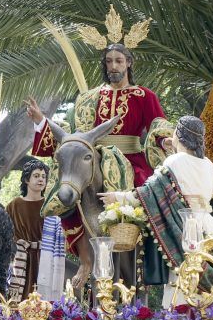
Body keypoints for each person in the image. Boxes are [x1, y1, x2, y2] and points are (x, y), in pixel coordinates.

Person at [25, 42, 172, 288]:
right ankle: (86, 260)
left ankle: (142, 266)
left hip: (131, 161)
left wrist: (165, 139)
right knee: (65, 196)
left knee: (149, 198)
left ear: (128, 63)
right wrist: (42, 121)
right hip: (93, 160)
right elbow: (72, 136)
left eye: (119, 60)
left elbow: (158, 124)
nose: (113, 66)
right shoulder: (89, 98)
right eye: (109, 61)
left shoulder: (145, 96)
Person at [99, 116, 213, 306]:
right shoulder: (209, 165)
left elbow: (150, 191)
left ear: (178, 136)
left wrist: (119, 197)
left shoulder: (175, 160)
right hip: (208, 226)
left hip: (185, 225)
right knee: (200, 276)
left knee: (181, 278)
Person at [6, 160, 64, 303]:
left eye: (44, 176)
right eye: (36, 176)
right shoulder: (13, 206)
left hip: (45, 257)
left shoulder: (51, 206)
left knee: (45, 301)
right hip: (21, 259)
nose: (41, 179)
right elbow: (5, 235)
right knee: (21, 301)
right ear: (27, 179)